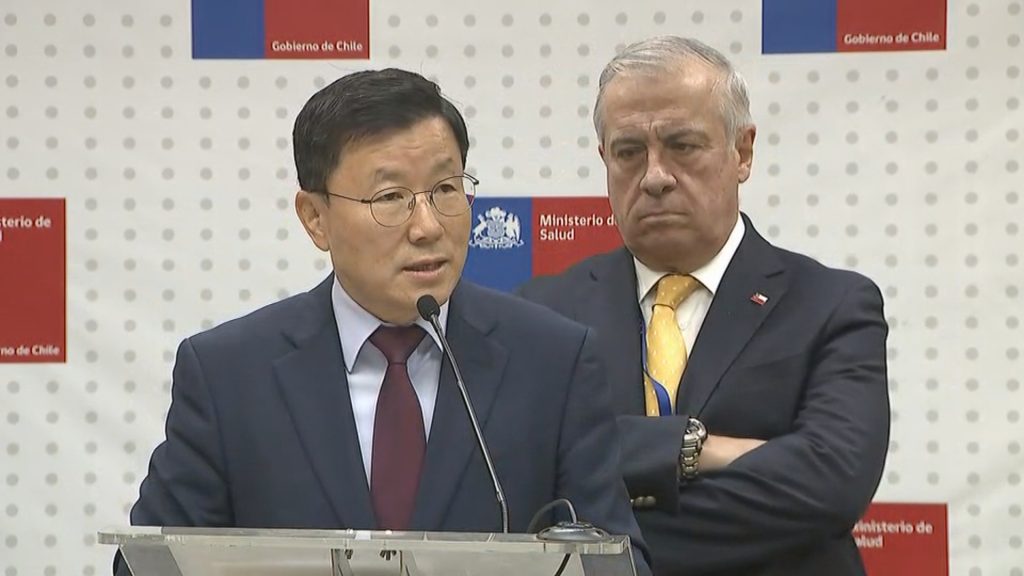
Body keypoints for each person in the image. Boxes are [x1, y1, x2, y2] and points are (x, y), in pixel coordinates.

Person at [116, 68, 650, 575]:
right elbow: (151, 565)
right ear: (315, 218)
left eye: (446, 190)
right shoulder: (229, 374)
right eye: (390, 197)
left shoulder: (553, 361)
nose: (427, 226)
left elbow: (612, 560)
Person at [518, 37, 890, 576]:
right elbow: (522, 487)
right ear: (604, 159)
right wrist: (697, 449)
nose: (655, 177)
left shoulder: (831, 305)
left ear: (743, 152)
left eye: (683, 145)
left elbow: (829, 485)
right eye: (629, 152)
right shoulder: (543, 313)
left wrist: (607, 524)